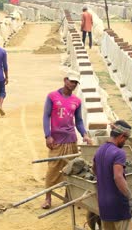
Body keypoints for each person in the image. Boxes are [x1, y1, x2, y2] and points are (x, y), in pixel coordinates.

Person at [42, 71, 92, 209]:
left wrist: (85, 135)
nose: (74, 84)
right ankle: (48, 198)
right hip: (56, 140)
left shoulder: (76, 101)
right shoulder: (52, 96)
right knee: (52, 169)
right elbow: (46, 116)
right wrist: (48, 135)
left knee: (72, 169)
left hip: (71, 139)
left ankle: (68, 197)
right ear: (65, 80)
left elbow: (79, 121)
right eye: (72, 81)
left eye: (76, 82)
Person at [92, 120, 132, 230]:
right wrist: (130, 198)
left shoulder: (100, 150)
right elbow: (118, 177)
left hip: (103, 206)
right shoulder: (119, 153)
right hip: (118, 206)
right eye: (125, 139)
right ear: (122, 136)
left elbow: (94, 169)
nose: (125, 142)